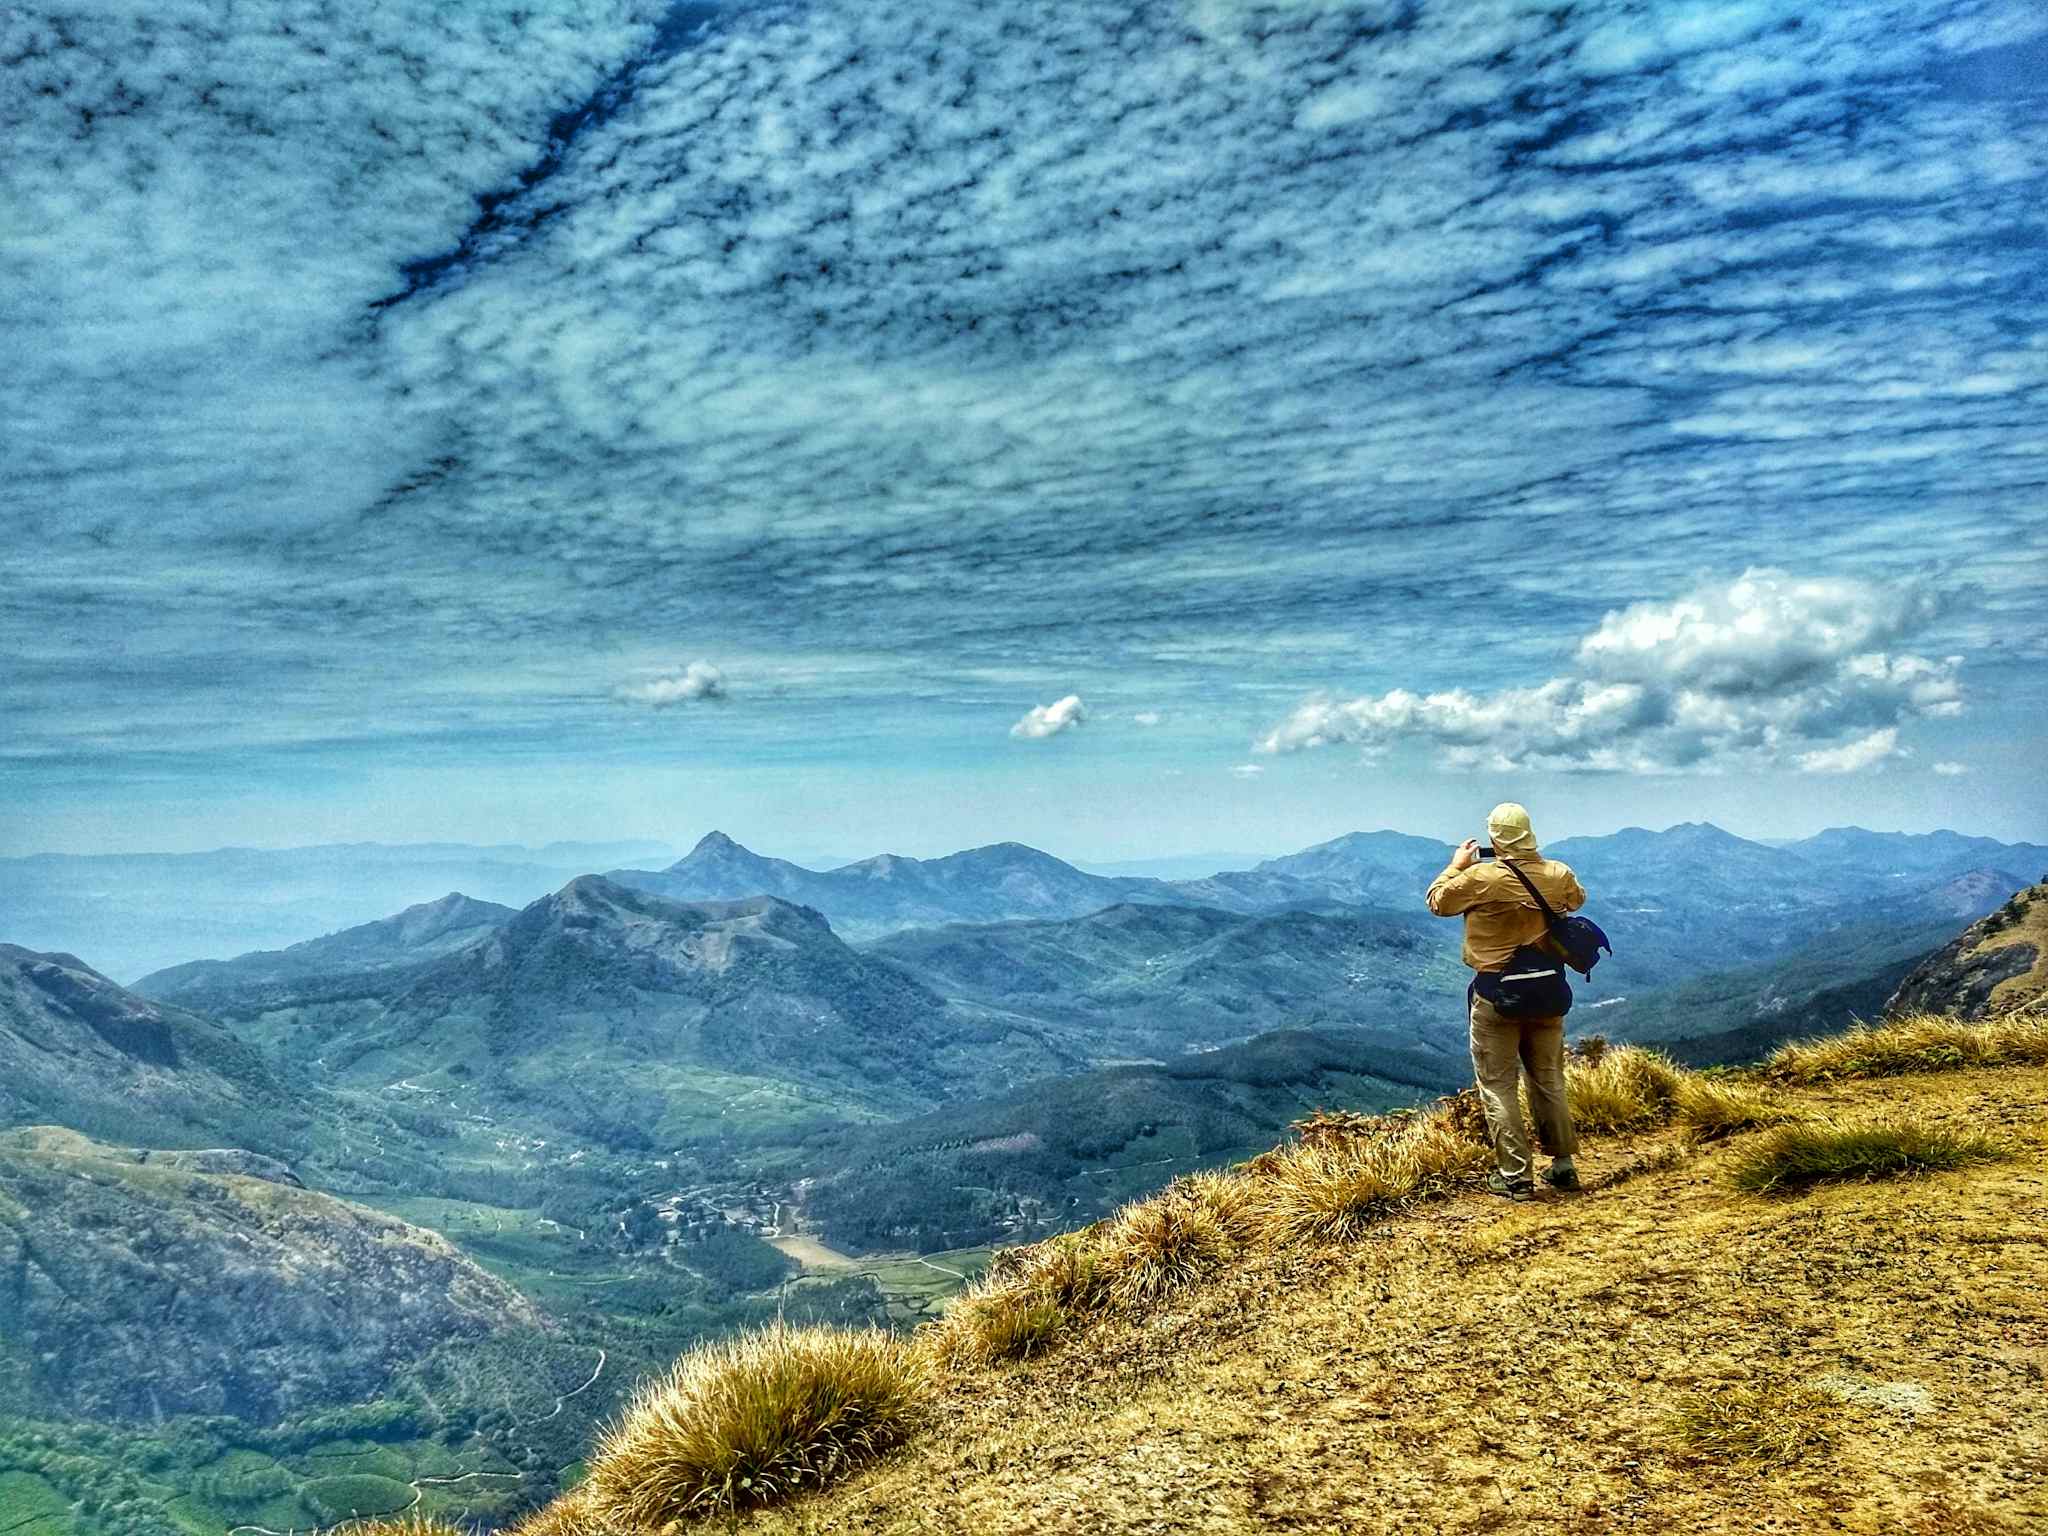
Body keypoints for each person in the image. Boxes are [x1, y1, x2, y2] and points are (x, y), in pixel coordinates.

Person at [1425, 802, 1586, 1199]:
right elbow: (1576, 901)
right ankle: (1563, 1166)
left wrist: (1456, 865)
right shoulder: (1558, 872)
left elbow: (1437, 901)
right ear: (1530, 833)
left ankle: (1516, 1176)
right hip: (1549, 989)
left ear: (1494, 837)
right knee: (1548, 1078)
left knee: (1498, 1085)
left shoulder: (1481, 877)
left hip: (1497, 994)